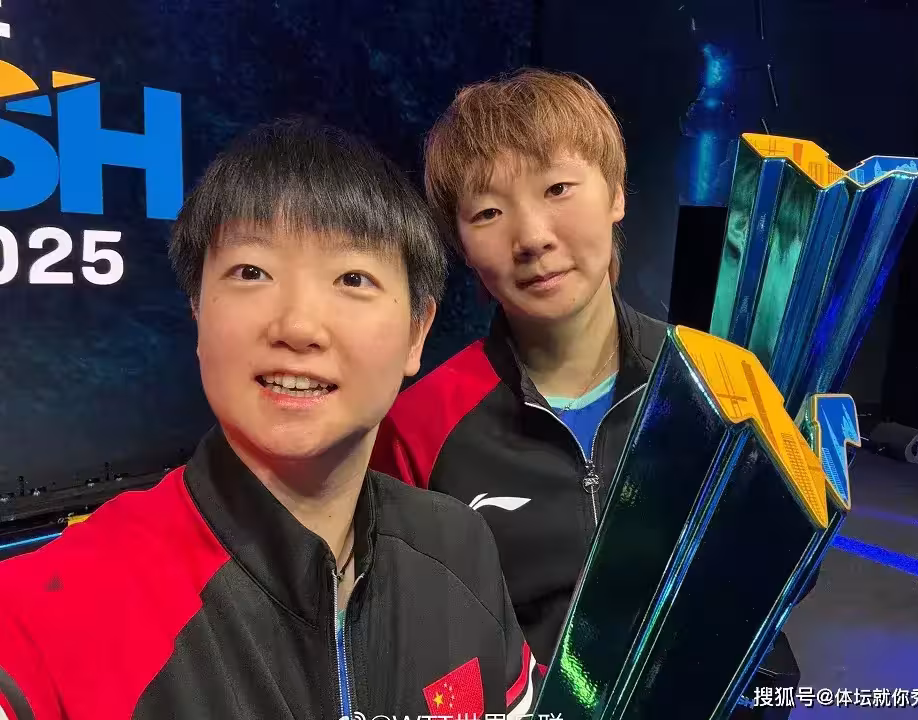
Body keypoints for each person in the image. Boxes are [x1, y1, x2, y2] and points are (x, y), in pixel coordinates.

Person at [0, 119, 540, 720]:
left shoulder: (460, 548)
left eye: (352, 279)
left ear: (418, 333)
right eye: (251, 272)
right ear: (197, 310)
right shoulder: (50, 615)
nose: (298, 327)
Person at [370, 68, 810, 692]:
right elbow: (410, 631)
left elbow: (779, 584)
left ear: (617, 194)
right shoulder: (418, 426)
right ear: (461, 245)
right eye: (489, 211)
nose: (532, 237)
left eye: (558, 188)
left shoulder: (723, 382)